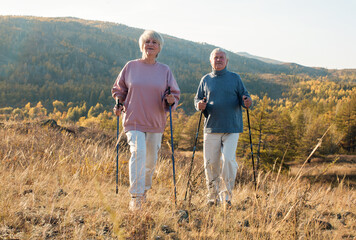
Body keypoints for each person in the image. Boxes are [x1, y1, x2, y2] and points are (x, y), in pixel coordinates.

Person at [112, 30, 180, 211]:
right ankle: (136, 196)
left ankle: (144, 190)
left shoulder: (165, 70)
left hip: (155, 121)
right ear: (142, 45)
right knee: (138, 152)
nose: (150, 44)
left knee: (150, 161)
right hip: (133, 118)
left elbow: (175, 94)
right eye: (147, 41)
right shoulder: (131, 66)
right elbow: (119, 89)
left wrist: (171, 100)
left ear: (159, 48)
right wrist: (118, 103)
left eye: (154, 42)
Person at [194, 48, 252, 207]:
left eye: (221, 58)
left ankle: (226, 198)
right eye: (215, 57)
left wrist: (247, 101)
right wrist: (199, 105)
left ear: (226, 61)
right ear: (210, 61)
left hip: (232, 128)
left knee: (228, 161)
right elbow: (197, 99)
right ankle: (212, 198)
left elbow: (245, 97)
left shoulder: (235, 78)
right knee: (210, 163)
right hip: (211, 127)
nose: (218, 60)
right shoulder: (205, 79)